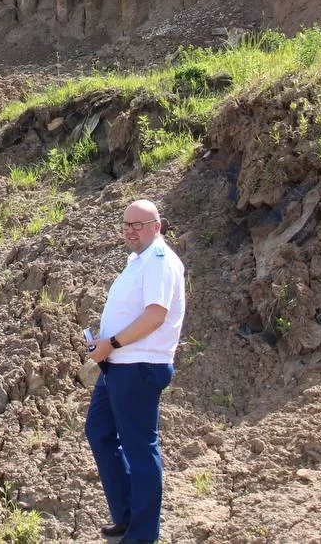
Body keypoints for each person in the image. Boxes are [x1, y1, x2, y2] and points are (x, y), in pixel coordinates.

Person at [84, 199, 187, 544]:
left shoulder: (159, 261)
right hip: (118, 364)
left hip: (139, 366)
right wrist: (106, 346)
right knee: (99, 432)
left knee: (139, 449)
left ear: (156, 226)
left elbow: (156, 315)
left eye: (138, 225)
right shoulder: (138, 261)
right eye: (126, 225)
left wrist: (111, 342)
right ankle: (127, 516)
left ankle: (142, 535)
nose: (130, 231)